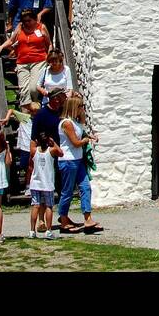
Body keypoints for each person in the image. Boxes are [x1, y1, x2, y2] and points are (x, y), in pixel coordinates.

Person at [57, 93, 101, 233]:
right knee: (67, 191)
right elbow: (75, 142)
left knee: (85, 187)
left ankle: (88, 218)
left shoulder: (75, 122)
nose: (83, 108)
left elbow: (81, 130)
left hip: (78, 159)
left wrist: (89, 136)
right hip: (68, 160)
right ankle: (63, 219)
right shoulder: (66, 123)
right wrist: (85, 141)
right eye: (80, 106)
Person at [0, 9, 51, 103]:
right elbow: (11, 41)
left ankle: (35, 108)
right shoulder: (20, 27)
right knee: (24, 90)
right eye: (24, 21)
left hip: (38, 61)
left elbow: (49, 44)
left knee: (33, 88)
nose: (27, 23)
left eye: (29, 20)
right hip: (22, 62)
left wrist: (49, 57)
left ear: (35, 19)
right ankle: (26, 113)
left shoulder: (41, 27)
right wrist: (1, 47)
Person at [28, 133, 63, 239]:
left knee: (36, 206)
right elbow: (61, 153)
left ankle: (32, 230)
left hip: (36, 182)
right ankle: (48, 230)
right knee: (49, 206)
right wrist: (54, 143)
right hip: (47, 183)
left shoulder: (34, 151)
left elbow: (32, 144)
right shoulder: (51, 151)